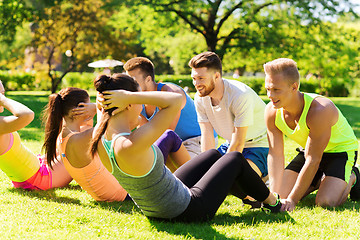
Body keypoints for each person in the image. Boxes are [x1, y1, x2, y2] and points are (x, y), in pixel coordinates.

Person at [91, 73, 283, 222]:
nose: (142, 107)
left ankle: (251, 196)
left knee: (213, 155)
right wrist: (130, 95)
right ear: (128, 104)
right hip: (189, 210)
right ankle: (273, 203)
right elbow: (176, 101)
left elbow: (104, 117)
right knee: (234, 159)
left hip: (157, 208)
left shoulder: (100, 139)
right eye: (138, 103)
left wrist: (108, 102)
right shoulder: (132, 143)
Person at [264, 58, 360, 211]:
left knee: (325, 202)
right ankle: (317, 180)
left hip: (339, 152)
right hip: (310, 150)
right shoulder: (271, 111)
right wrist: (274, 196)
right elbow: (275, 154)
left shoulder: (320, 109)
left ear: (294, 87)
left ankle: (353, 176)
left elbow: (313, 159)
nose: (270, 95)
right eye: (267, 89)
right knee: (281, 194)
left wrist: (292, 200)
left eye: (276, 89)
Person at [189, 52, 269, 183]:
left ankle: (265, 176)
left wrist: (217, 174)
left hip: (258, 145)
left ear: (217, 76)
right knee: (201, 174)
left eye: (201, 78)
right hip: (230, 144)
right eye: (194, 78)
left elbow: (238, 144)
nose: (196, 83)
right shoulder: (200, 97)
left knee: (237, 182)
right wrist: (206, 167)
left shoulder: (240, 95)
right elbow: (207, 135)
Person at [42, 87, 128, 201]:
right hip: (121, 194)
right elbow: (111, 124)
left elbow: (89, 125)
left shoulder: (64, 136)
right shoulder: (78, 140)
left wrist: (94, 106)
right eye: (86, 105)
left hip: (112, 193)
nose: (90, 109)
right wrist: (96, 107)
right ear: (78, 110)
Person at [123, 57, 213, 159]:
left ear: (148, 79)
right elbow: (146, 133)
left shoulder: (171, 93)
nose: (130, 85)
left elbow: (167, 133)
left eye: (134, 81)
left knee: (178, 172)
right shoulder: (138, 100)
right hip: (170, 144)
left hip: (195, 141)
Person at [0, 80, 72, 190]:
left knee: (65, 145)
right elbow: (27, 115)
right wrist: (3, 99)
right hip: (39, 179)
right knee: (82, 147)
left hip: (35, 169)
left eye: (3, 93)